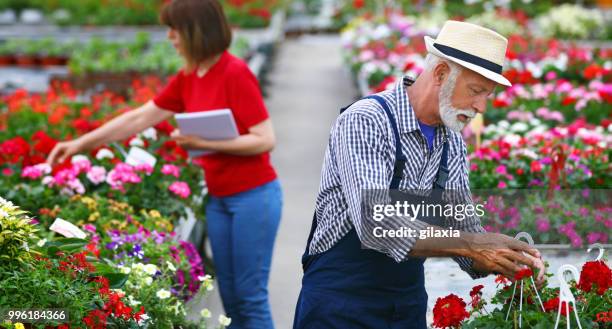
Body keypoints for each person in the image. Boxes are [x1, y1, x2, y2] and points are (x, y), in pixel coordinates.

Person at [293, 20, 546, 328]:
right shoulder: (367, 121)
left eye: (487, 95)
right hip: (340, 301)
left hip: (405, 304)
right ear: (440, 73)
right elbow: (376, 224)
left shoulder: (451, 141)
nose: (481, 106)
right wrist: (472, 245)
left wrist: (509, 258)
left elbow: (462, 226)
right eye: (476, 91)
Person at [47, 1, 282, 328]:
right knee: (230, 295)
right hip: (219, 200)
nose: (170, 36)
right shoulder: (189, 76)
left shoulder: (235, 72)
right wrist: (80, 144)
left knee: (250, 296)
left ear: (196, 31)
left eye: (175, 29)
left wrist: (203, 143)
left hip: (253, 198)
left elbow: (264, 139)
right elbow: (140, 117)